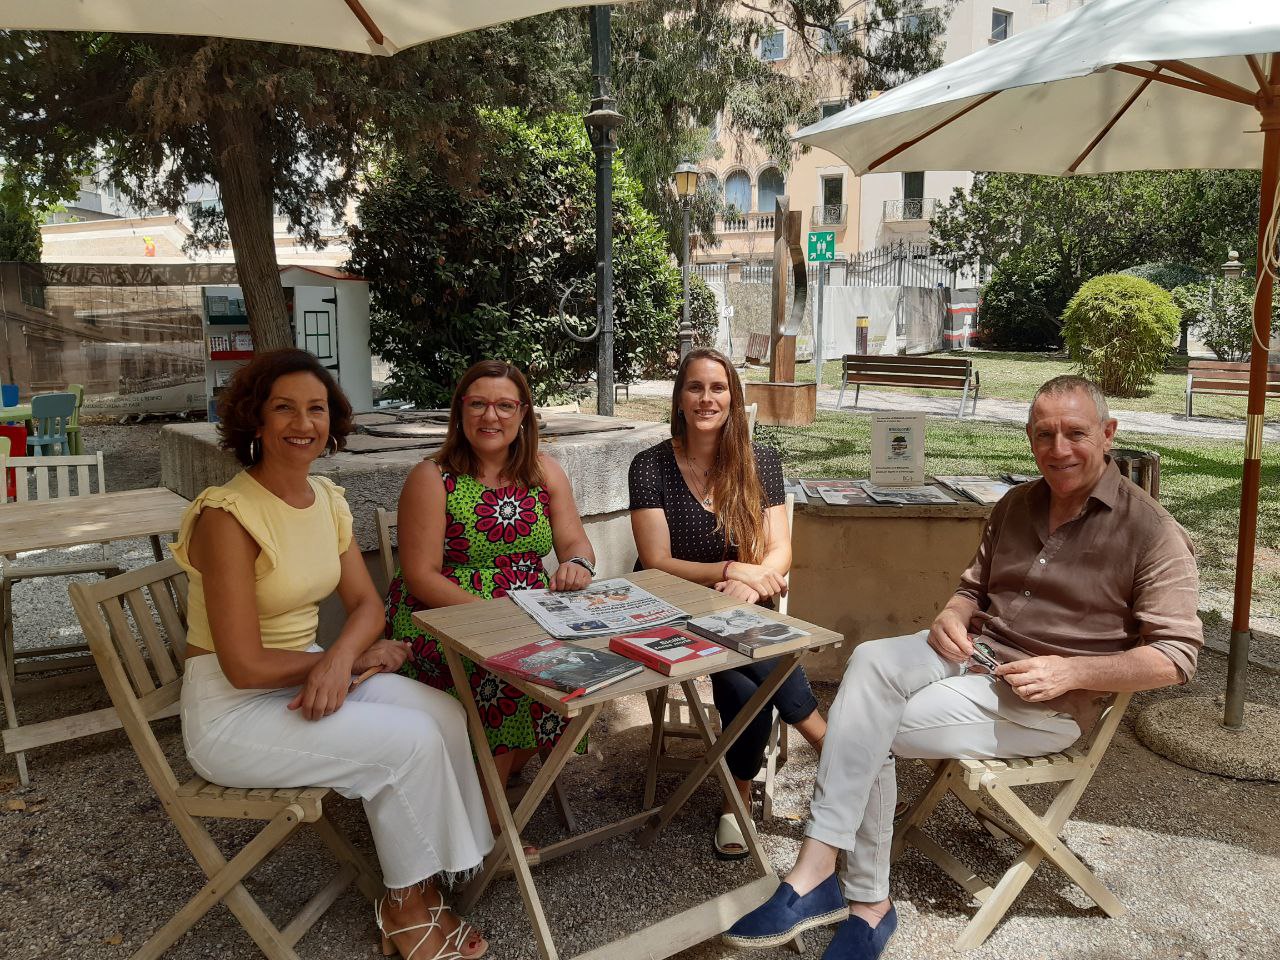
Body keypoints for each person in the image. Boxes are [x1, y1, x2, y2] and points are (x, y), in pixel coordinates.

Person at [723, 375, 1202, 960]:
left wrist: (1073, 672)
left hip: (1045, 702)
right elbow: (971, 588)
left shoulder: (1150, 532)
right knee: (870, 660)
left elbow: (1177, 658)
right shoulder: (1017, 504)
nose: (1059, 449)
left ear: (1108, 434)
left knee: (865, 729)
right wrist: (952, 612)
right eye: (1044, 434)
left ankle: (857, 897)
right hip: (973, 657)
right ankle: (831, 877)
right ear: (1030, 438)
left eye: (1075, 433)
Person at [171, 349, 493, 960]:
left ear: (332, 421)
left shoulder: (326, 499)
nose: (304, 422)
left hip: (311, 670)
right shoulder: (227, 515)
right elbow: (242, 664)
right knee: (407, 742)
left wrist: (344, 657)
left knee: (444, 713)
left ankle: (433, 879)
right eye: (284, 408)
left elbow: (368, 606)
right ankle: (404, 911)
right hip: (232, 711)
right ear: (255, 421)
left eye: (316, 408)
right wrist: (347, 661)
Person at [628, 348, 826, 860]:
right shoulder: (649, 466)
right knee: (755, 660)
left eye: (718, 388)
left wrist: (755, 581)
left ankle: (735, 794)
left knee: (742, 678)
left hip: (738, 605)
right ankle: (831, 748)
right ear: (678, 397)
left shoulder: (761, 461)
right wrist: (732, 571)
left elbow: (780, 548)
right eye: (695, 387)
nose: (706, 398)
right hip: (669, 607)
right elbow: (654, 561)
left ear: (733, 397)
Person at [385, 360, 597, 816]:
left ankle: (485, 779)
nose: (491, 416)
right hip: (443, 617)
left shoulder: (545, 472)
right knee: (503, 676)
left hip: (530, 613)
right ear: (460, 412)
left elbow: (575, 541)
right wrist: (498, 616)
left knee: (587, 666)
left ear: (523, 414)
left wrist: (578, 564)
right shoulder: (433, 476)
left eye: (504, 405)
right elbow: (420, 576)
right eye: (478, 404)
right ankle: (489, 825)